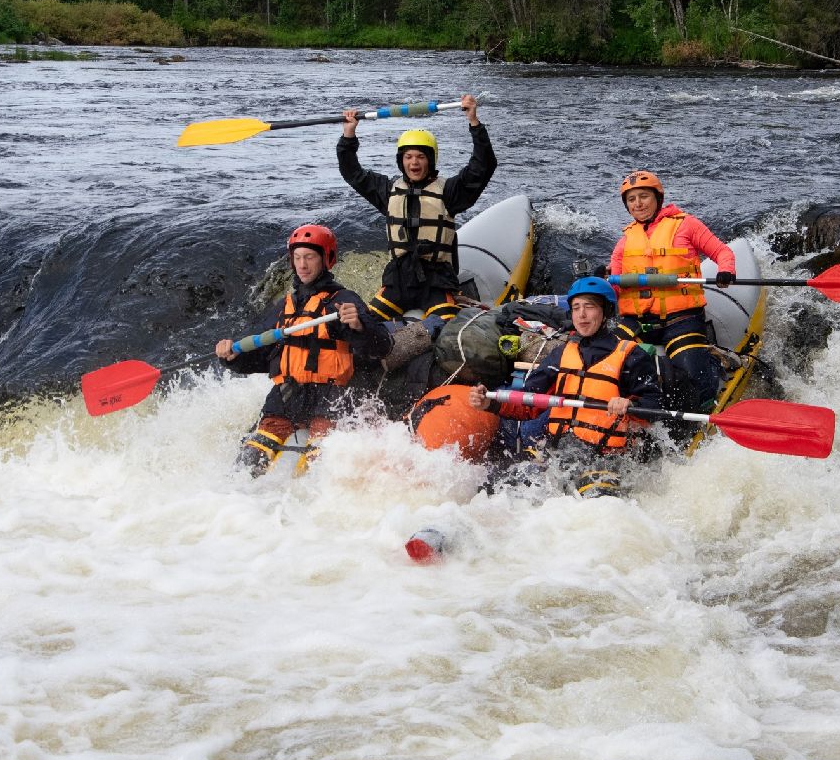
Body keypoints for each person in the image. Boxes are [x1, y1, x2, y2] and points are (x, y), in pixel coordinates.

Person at [216, 224, 390, 476]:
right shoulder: (284, 307)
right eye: (297, 258)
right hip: (287, 398)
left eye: (309, 257)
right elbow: (263, 357)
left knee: (315, 469)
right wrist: (233, 358)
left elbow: (381, 346)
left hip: (329, 399)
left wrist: (359, 326)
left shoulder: (344, 300)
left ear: (326, 259)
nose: (302, 265)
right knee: (248, 463)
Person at [467, 276, 662, 498]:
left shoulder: (631, 355)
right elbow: (529, 403)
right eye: (576, 307)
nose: (582, 315)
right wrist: (490, 404)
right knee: (493, 486)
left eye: (589, 306)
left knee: (595, 501)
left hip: (606, 459)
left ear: (606, 311)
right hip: (558, 455)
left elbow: (653, 408)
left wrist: (629, 405)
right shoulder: (561, 354)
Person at [338, 94, 496, 322]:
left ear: (430, 160)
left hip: (437, 282)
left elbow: (483, 166)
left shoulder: (450, 192)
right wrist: (349, 135)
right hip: (398, 280)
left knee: (444, 328)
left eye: (421, 156)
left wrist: (474, 122)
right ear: (401, 161)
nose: (414, 162)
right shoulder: (388, 191)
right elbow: (352, 172)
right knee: (368, 325)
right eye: (408, 157)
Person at [608, 170, 735, 415]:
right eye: (631, 199)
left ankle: (713, 363)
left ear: (658, 198)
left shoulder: (686, 225)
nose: (638, 204)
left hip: (682, 319)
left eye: (644, 196)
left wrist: (726, 271)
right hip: (639, 321)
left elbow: (722, 252)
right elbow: (614, 285)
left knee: (692, 377)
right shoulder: (625, 240)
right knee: (608, 362)